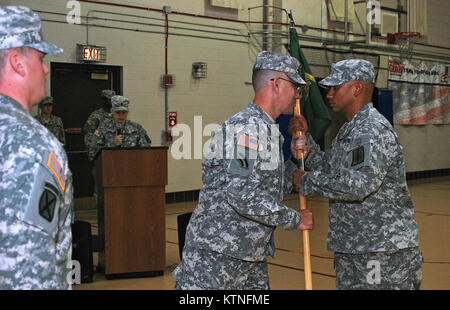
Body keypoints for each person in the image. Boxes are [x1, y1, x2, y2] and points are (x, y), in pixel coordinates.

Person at [172, 51, 314, 290]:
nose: (297, 95)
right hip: (217, 259)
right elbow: (242, 195)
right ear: (276, 84)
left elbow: (268, 189)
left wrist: (294, 161)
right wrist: (294, 219)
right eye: (295, 86)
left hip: (249, 256)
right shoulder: (248, 129)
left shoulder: (266, 129)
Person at [289, 59, 423, 290]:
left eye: (336, 87)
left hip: (380, 251)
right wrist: (306, 142)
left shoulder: (371, 130)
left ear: (357, 88)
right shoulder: (350, 130)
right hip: (354, 248)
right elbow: (331, 169)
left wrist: (308, 182)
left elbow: (359, 185)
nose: (329, 94)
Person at [0, 5, 74, 289]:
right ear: (18, 63)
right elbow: (26, 267)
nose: (45, 69)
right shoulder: (32, 145)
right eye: (41, 58)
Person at [88, 95, 151, 161]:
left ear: (128, 112)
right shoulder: (102, 128)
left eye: (124, 112)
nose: (121, 115)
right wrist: (112, 144)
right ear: (112, 111)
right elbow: (93, 153)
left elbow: (146, 151)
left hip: (132, 166)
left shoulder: (137, 128)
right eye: (118, 112)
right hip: (110, 166)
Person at [83, 89, 115, 154]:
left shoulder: (117, 115)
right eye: (109, 99)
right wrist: (92, 153)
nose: (112, 102)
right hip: (100, 152)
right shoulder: (96, 115)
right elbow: (89, 135)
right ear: (104, 100)